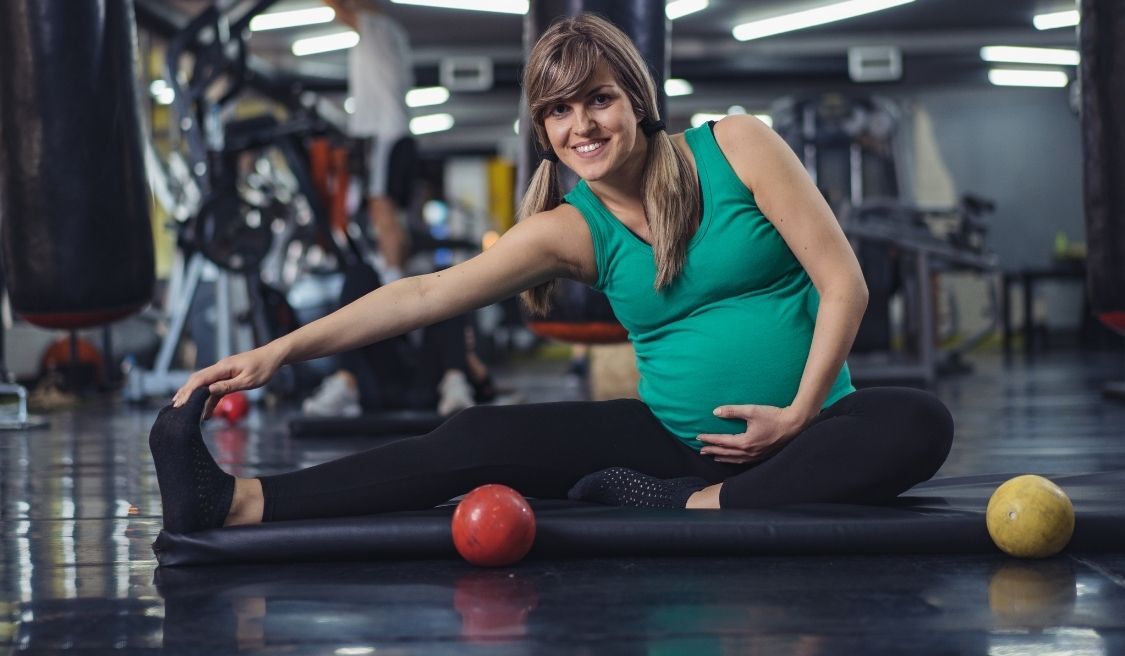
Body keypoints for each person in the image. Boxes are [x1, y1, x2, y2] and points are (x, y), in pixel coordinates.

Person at [149, 13, 954, 535]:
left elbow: (843, 281)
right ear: (541, 129)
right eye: (558, 111)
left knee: (918, 422)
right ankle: (241, 501)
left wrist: (799, 412)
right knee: (476, 436)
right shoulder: (569, 229)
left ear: (634, 99)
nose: (582, 126)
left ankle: (697, 508)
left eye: (597, 100)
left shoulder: (738, 146)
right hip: (672, 442)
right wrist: (281, 351)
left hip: (815, 430)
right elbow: (425, 294)